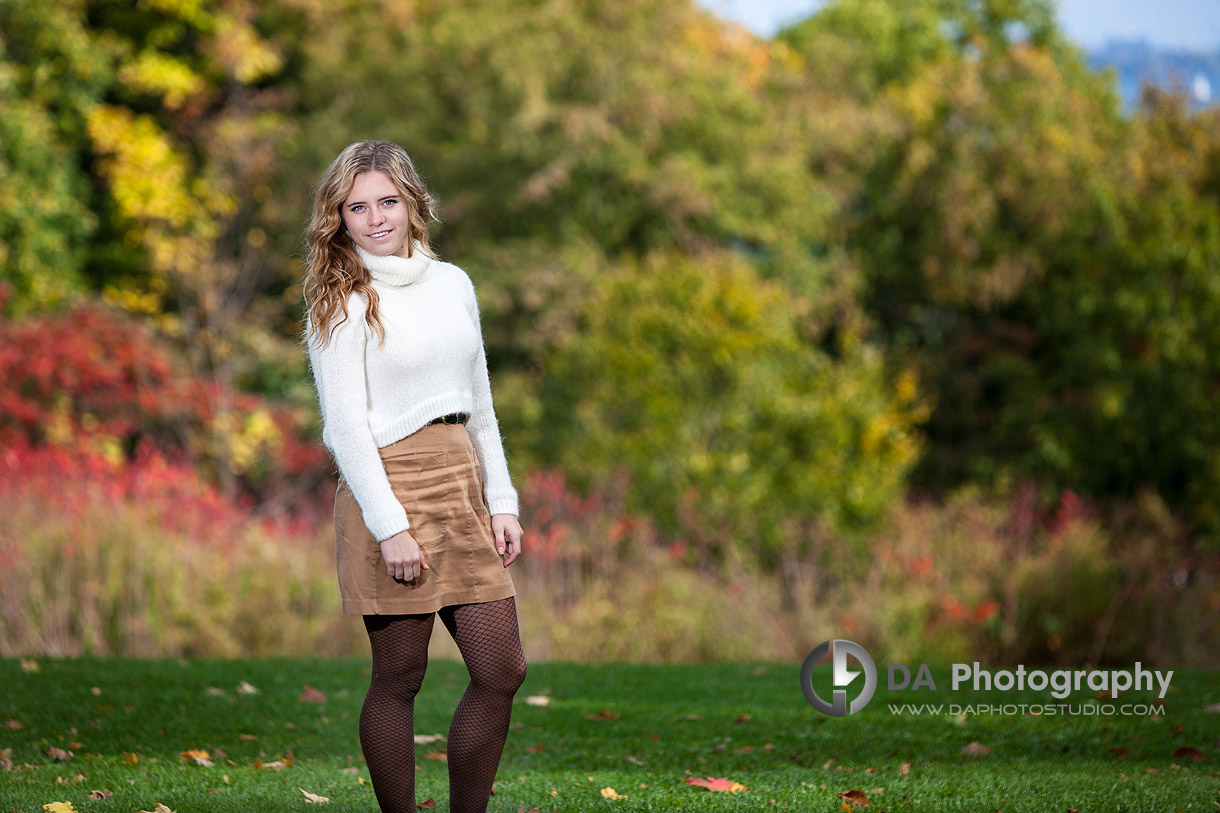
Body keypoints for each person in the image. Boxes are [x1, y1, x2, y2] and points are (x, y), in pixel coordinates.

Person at [301, 140, 527, 813]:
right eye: (357, 206)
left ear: (411, 201)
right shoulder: (341, 296)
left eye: (387, 202)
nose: (375, 218)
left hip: (461, 478)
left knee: (501, 669)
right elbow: (345, 426)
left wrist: (502, 499)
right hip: (388, 486)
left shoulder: (452, 282)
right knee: (400, 677)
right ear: (338, 216)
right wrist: (391, 525)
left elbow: (479, 400)